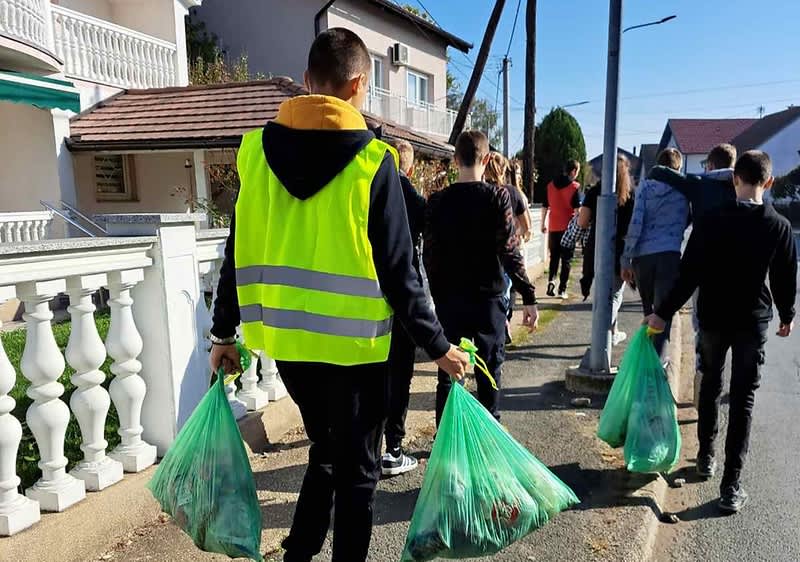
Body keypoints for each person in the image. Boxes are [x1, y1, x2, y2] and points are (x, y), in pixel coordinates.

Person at [208, 28, 469, 562]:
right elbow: (400, 272)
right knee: (358, 474)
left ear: (307, 82)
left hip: (290, 348)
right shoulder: (374, 163)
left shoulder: (254, 152)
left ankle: (299, 552)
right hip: (355, 352)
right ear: (357, 86)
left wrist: (222, 332)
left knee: (326, 451)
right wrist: (439, 346)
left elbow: (236, 248)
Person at [647, 150, 796, 513]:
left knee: (711, 384)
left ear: (734, 179)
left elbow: (689, 274)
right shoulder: (778, 225)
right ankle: (732, 485)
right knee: (743, 399)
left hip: (713, 317)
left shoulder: (711, 220)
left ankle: (706, 457)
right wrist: (787, 314)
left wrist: (662, 313)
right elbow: (784, 278)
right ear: (769, 182)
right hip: (752, 320)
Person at [424, 131, 539, 426]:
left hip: (450, 299)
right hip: (489, 297)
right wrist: (528, 295)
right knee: (490, 371)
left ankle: (446, 440)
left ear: (454, 160)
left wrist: (437, 294)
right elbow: (510, 251)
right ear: (486, 159)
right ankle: (489, 440)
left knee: (449, 372)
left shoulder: (438, 201)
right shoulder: (497, 197)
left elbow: (431, 256)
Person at [649, 143, 737, 403]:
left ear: (710, 164)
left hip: (703, 265)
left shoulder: (699, 184)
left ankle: (702, 384)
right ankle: (728, 381)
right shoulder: (739, 187)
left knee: (703, 324)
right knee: (734, 327)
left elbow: (659, 172)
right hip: (735, 268)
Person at [381, 140, 426, 476]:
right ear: (409, 167)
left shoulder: (367, 185)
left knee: (374, 375)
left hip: (366, 298)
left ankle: (371, 445)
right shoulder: (411, 197)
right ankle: (393, 447)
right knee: (400, 375)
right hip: (403, 296)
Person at [620, 148, 688, 362]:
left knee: (648, 312)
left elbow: (636, 223)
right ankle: (658, 365)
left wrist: (626, 257)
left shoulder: (645, 188)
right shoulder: (685, 190)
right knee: (663, 314)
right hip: (669, 254)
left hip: (643, 257)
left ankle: (648, 361)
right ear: (678, 168)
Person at [578, 154, 635, 344]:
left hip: (598, 248)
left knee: (604, 294)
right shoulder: (631, 195)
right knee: (615, 294)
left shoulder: (595, 191)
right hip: (622, 251)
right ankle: (604, 335)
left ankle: (610, 332)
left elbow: (582, 221)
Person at [485, 152, 530, 342]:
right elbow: (527, 225)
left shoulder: (481, 190)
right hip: (508, 249)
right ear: (505, 169)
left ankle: (498, 322)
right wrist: (516, 235)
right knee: (508, 287)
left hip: (485, 251)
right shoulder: (512, 192)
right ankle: (504, 320)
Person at [542, 160, 581, 298]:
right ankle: (562, 290)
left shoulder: (550, 186)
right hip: (568, 229)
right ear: (573, 171)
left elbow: (545, 206)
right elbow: (577, 211)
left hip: (553, 226)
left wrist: (543, 223)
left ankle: (551, 281)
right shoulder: (574, 187)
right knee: (566, 260)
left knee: (554, 257)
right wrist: (579, 226)